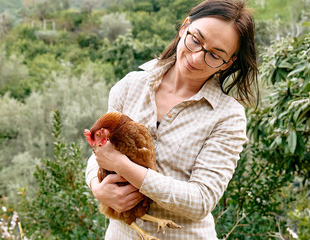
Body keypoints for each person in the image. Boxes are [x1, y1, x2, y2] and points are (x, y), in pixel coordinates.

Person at [85, 0, 258, 239]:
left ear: (228, 63)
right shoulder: (130, 86)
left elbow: (200, 201)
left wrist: (123, 166)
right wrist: (97, 187)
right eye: (196, 40)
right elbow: (100, 153)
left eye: (214, 55)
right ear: (184, 27)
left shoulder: (227, 116)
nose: (197, 58)